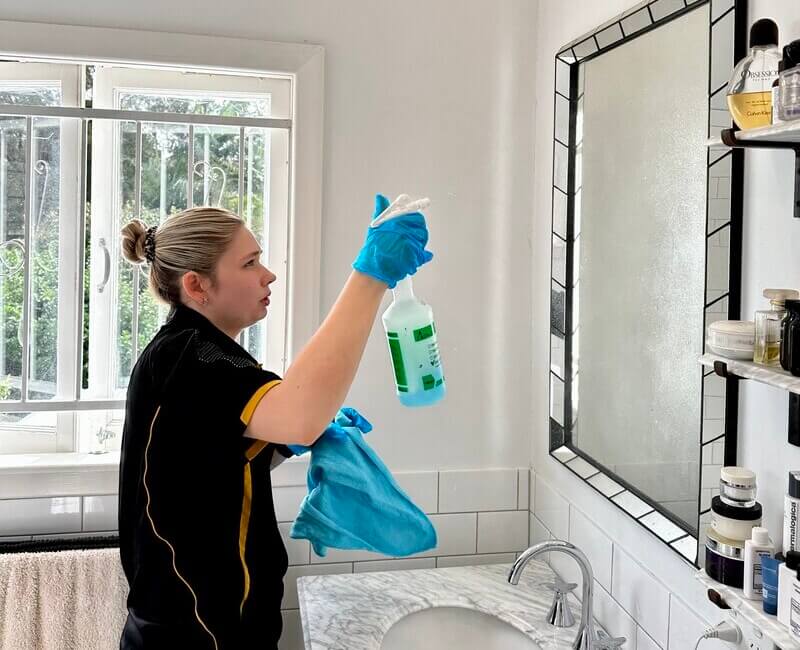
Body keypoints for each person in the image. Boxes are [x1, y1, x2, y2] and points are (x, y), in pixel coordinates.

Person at [117, 197, 433, 649]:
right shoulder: (192, 356)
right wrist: (371, 275)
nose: (268, 274)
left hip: (214, 626)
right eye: (249, 263)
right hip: (194, 636)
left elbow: (206, 467)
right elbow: (302, 414)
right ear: (197, 285)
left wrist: (284, 444)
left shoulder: (198, 350)